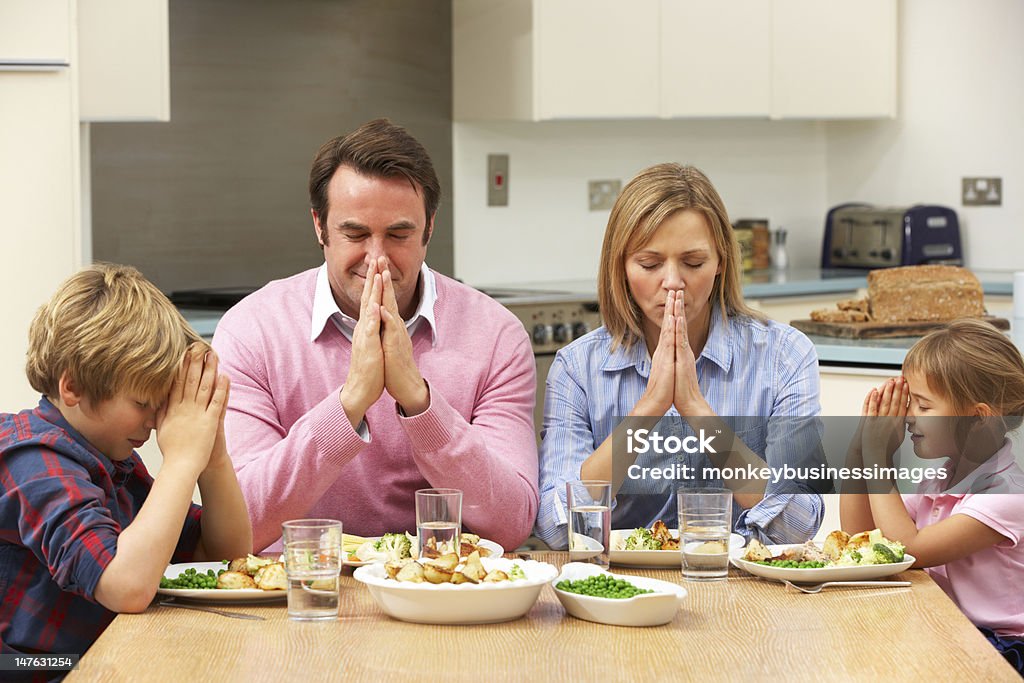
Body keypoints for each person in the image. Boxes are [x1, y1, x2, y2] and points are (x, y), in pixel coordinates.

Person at [212, 118, 538, 552]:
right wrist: (349, 404)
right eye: (356, 234)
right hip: (299, 593)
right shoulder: (251, 330)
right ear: (319, 227)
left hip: (447, 594)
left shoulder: (496, 335)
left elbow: (511, 523)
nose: (377, 258)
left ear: (430, 229)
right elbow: (240, 525)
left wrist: (420, 402)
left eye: (399, 234)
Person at [535, 163, 825, 549]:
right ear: (619, 267)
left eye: (693, 263)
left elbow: (798, 524)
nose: (672, 282)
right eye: (650, 264)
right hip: (620, 587)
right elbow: (556, 530)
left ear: (721, 261)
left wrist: (697, 411)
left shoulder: (785, 356)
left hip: (743, 587)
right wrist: (648, 410)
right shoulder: (576, 368)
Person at [0, 264, 251, 659]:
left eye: (161, 405)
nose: (154, 421)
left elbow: (224, 554)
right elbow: (124, 586)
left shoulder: (115, 463)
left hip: (110, 660)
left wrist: (212, 456)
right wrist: (181, 461)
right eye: (142, 404)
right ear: (74, 387)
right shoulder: (32, 462)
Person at [841, 319, 1024, 674]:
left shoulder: (1006, 495)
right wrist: (859, 450)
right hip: (950, 628)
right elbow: (860, 538)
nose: (909, 416)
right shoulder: (940, 481)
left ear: (976, 418)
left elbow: (909, 550)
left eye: (924, 407)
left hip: (1002, 649)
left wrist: (878, 459)